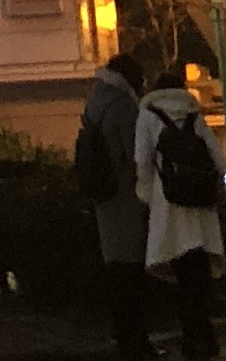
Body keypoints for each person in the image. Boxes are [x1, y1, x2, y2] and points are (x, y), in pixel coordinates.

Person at [134, 60, 226, 361]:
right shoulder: (193, 114)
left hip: (169, 205)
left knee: (180, 278)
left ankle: (192, 338)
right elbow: (217, 157)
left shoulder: (148, 116)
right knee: (198, 277)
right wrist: (221, 189)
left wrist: (147, 197)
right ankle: (204, 337)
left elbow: (142, 162)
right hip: (200, 206)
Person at [76, 52, 153, 361]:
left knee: (116, 272)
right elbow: (136, 154)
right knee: (132, 273)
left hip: (103, 197)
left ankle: (123, 336)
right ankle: (136, 341)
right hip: (125, 197)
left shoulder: (95, 101)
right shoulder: (123, 105)